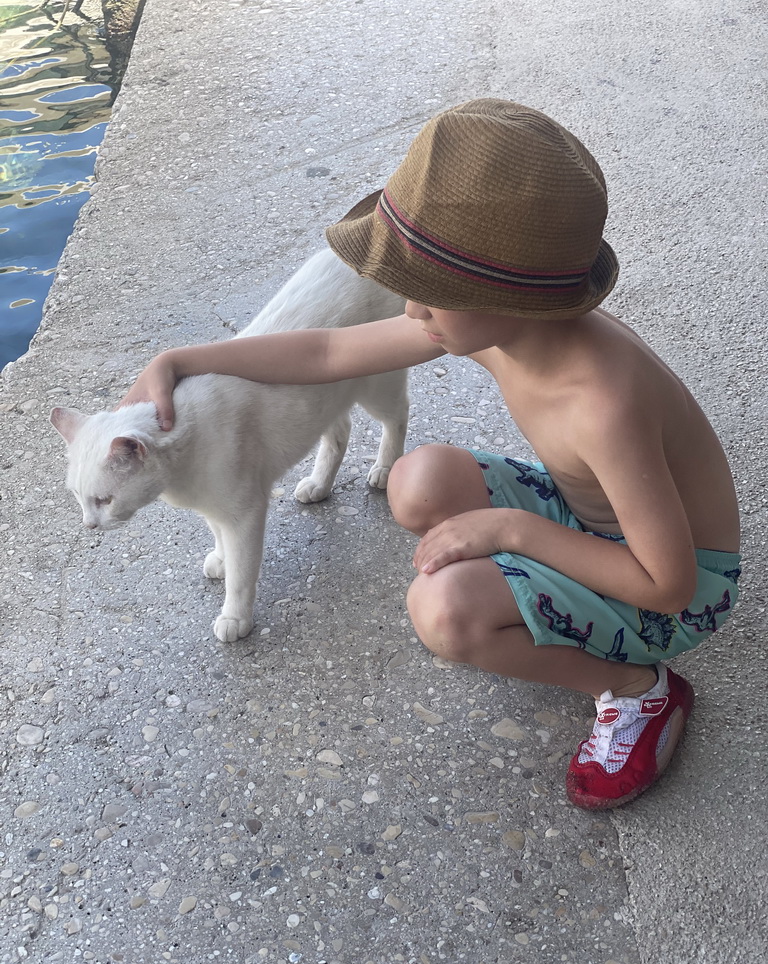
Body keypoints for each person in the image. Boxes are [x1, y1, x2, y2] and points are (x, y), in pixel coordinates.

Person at [120, 99, 741, 810]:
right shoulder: (507, 326)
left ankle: (637, 691)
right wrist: (183, 359)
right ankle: (541, 603)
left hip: (682, 586)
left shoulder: (603, 402)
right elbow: (326, 350)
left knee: (443, 612)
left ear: (509, 296)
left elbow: (667, 583)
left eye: (432, 294)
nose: (410, 310)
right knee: (418, 482)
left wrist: (510, 531)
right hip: (597, 521)